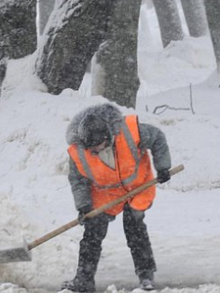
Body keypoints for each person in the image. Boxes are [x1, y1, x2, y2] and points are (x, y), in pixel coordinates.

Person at [61, 103, 171, 292]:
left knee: (134, 227)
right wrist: (84, 206)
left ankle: (146, 276)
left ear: (108, 136)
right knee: (92, 232)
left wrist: (162, 167)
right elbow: (77, 180)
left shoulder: (129, 132)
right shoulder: (79, 151)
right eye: (92, 148)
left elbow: (157, 138)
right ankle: (84, 280)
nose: (95, 151)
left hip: (137, 186)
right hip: (105, 193)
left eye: (98, 146)